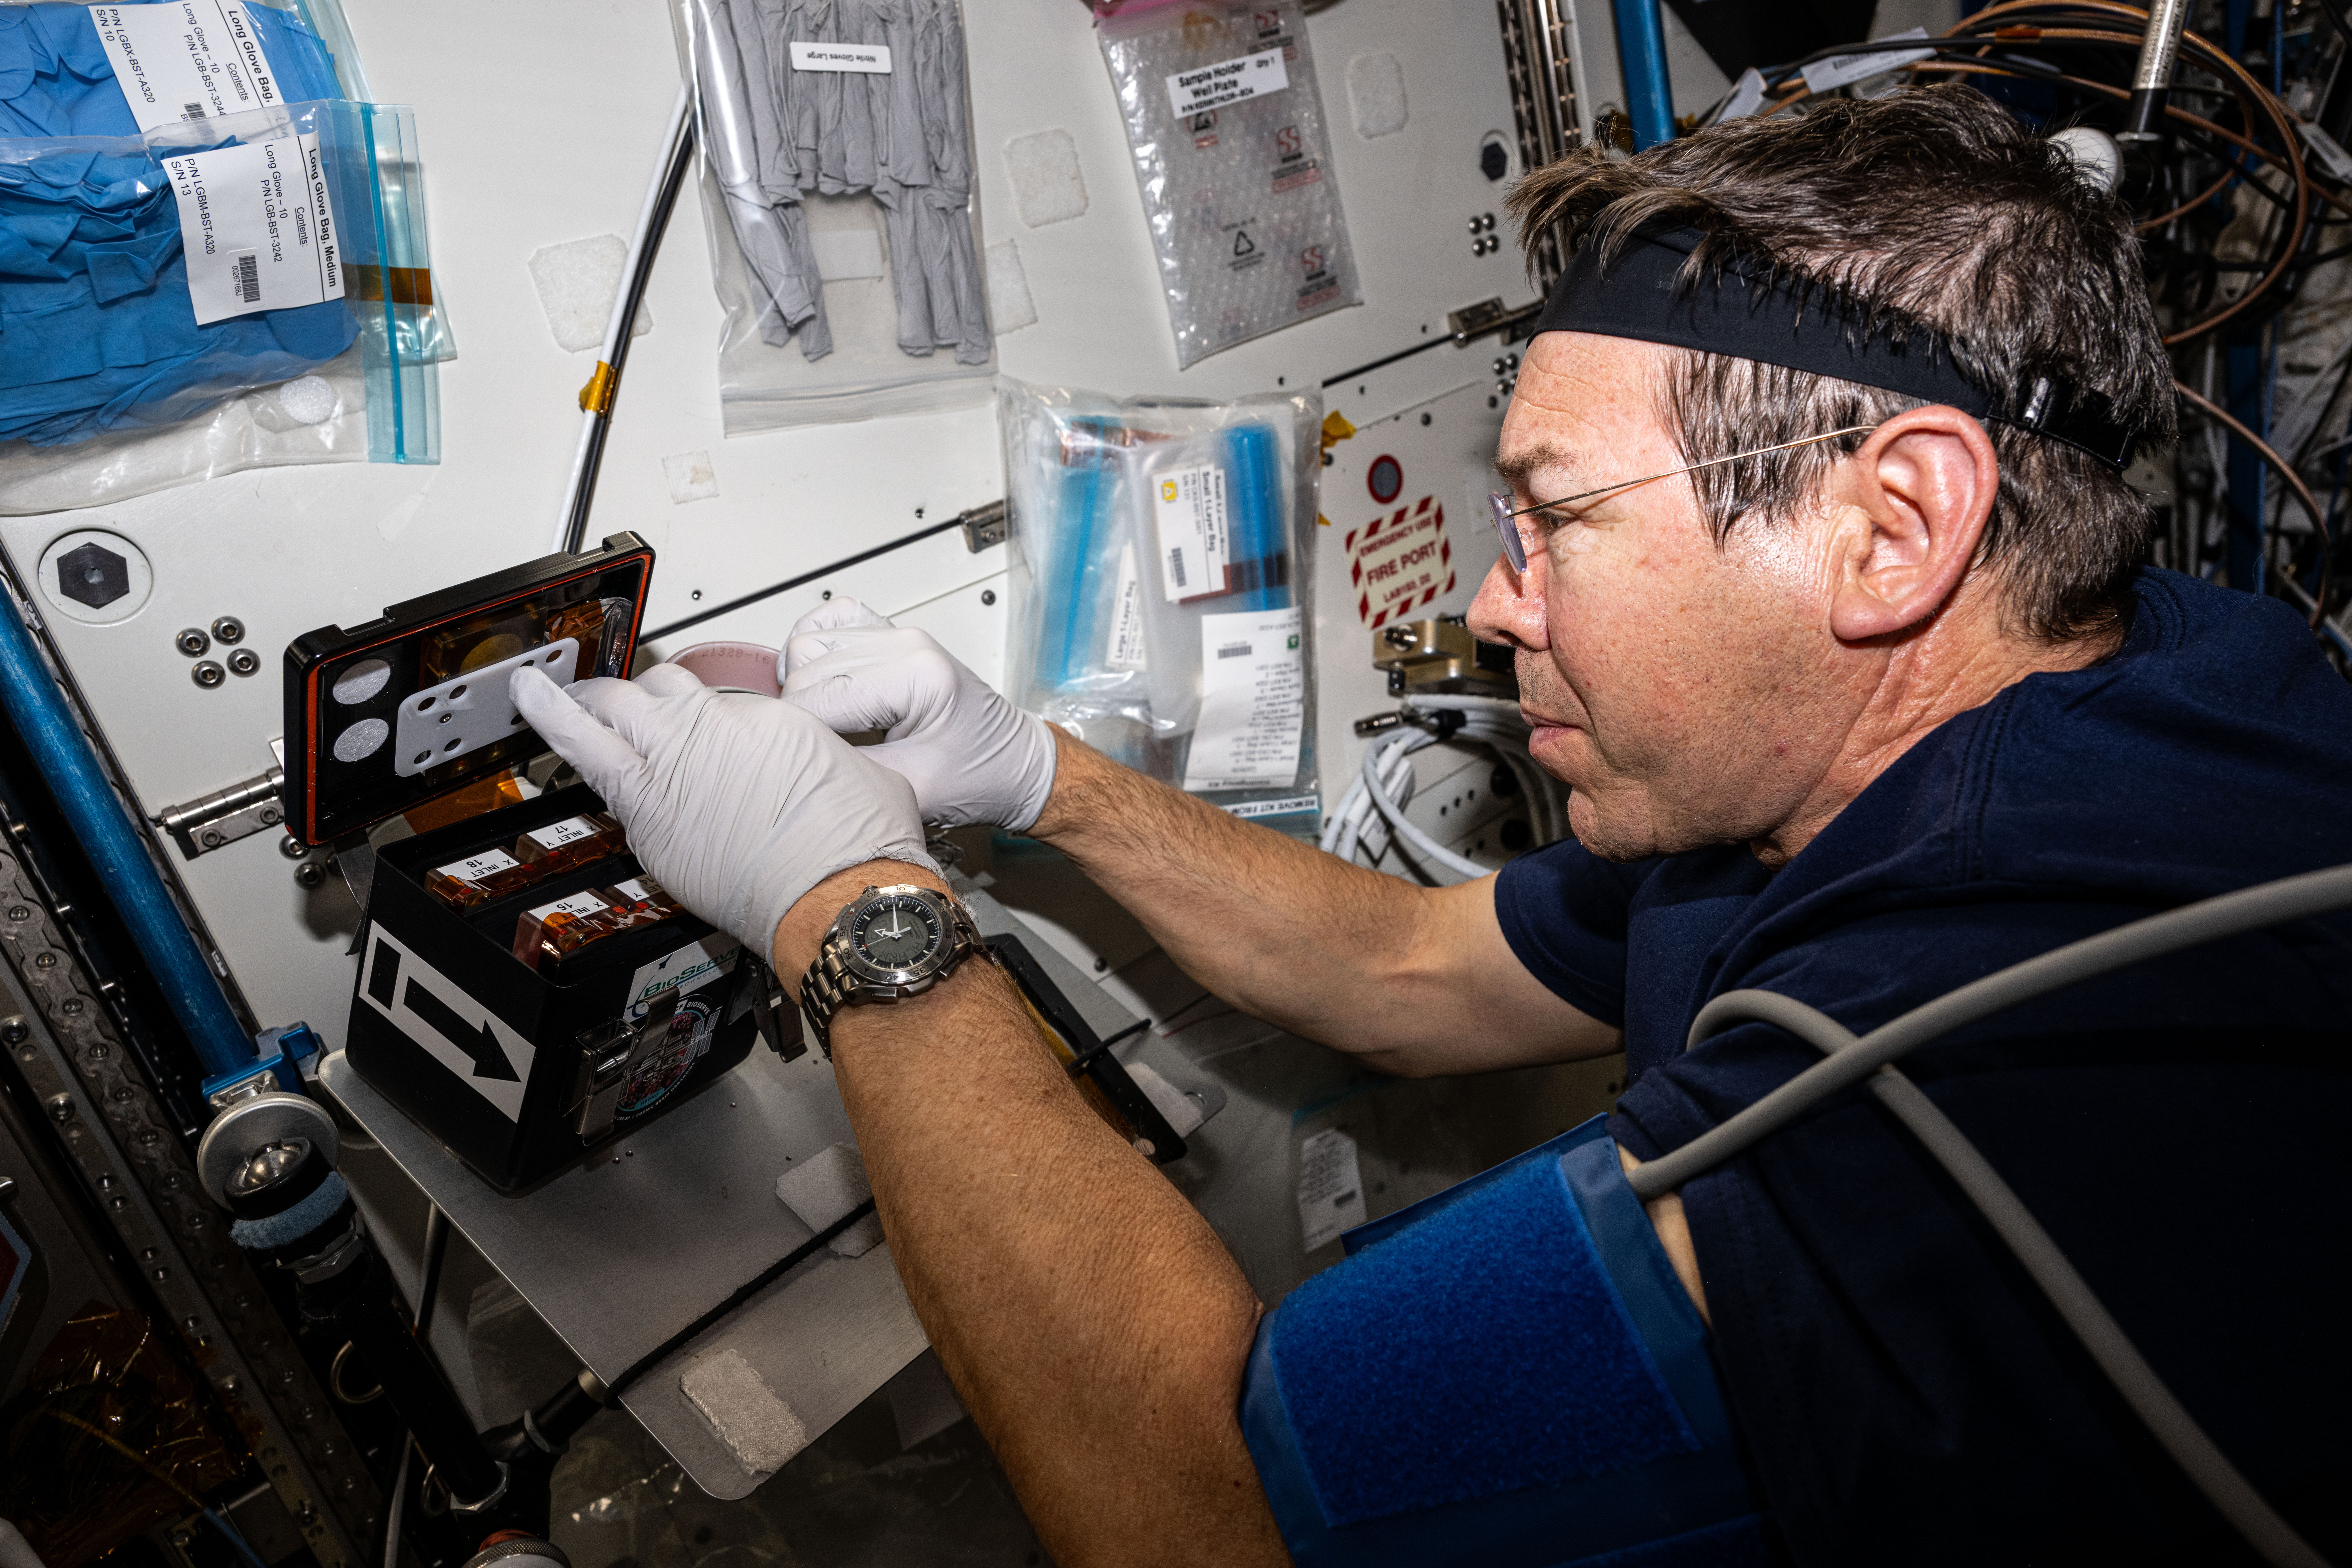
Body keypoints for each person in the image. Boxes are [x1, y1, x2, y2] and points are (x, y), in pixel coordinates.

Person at [512, 85, 2352, 1568]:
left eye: (1557, 517)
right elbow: (1412, 969)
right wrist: (1028, 781)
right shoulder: (2129, 678)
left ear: (1893, 526)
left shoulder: (1953, 1067)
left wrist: (858, 911)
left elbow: (1194, 1509)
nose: (1493, 600)